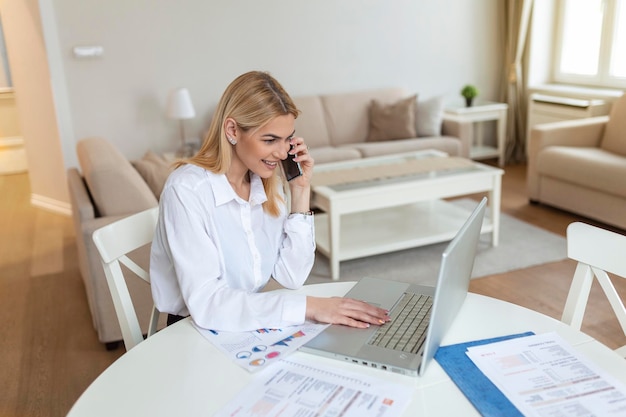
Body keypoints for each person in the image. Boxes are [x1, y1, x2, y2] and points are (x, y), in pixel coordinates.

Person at [150, 71, 390, 332]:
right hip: (191, 330)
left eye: (288, 138)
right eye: (270, 140)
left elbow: (292, 275)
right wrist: (310, 307)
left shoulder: (267, 183)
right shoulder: (186, 190)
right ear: (232, 130)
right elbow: (208, 304)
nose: (282, 152)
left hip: (248, 320)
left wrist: (300, 190)